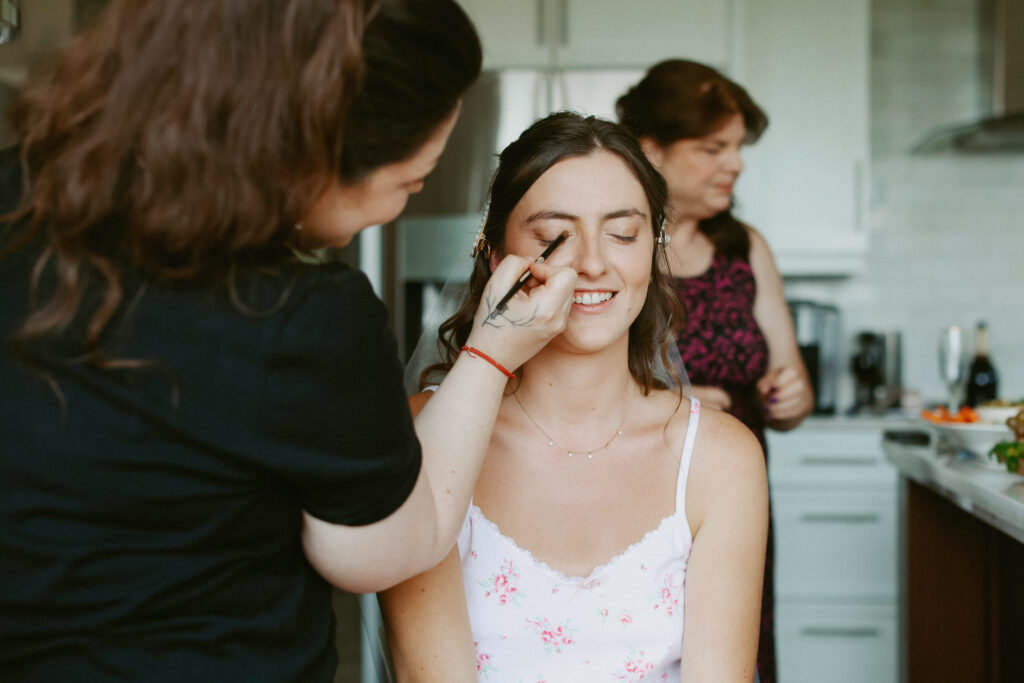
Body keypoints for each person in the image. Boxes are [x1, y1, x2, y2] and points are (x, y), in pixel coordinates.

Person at [0, 1, 576, 680]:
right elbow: (378, 553)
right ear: (310, 158)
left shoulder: (18, 190)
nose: (407, 198)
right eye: (408, 181)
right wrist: (490, 352)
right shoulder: (302, 319)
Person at [379, 112, 769, 682]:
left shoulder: (721, 458)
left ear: (653, 248)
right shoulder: (424, 442)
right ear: (494, 254)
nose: (591, 263)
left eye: (623, 234)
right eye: (553, 238)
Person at [616, 58, 816, 683]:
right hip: (634, 503)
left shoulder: (745, 249)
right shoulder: (616, 249)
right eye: (712, 148)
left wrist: (792, 397)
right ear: (652, 150)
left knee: (734, 650)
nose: (735, 163)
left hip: (735, 506)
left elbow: (790, 381)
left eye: (737, 147)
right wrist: (668, 401)